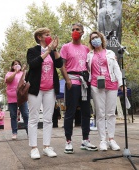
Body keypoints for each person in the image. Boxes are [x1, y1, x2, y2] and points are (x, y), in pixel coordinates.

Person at [60, 23, 98, 154]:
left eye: (77, 30)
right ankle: (68, 141)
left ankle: (85, 140)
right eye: (73, 30)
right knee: (70, 112)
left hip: (84, 83)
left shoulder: (86, 49)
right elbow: (62, 66)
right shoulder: (65, 47)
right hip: (72, 82)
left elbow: (90, 66)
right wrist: (68, 80)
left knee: (86, 112)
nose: (74, 31)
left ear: (82, 32)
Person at [26, 27, 63, 159]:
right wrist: (48, 51)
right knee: (34, 118)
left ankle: (47, 146)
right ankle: (34, 148)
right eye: (47, 35)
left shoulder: (52, 52)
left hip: (50, 89)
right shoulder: (32, 51)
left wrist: (55, 50)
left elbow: (59, 64)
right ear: (39, 37)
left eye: (50, 34)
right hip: (35, 90)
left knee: (48, 119)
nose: (49, 37)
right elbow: (34, 64)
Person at [87, 31, 122, 151]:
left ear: (101, 39)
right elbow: (87, 68)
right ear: (90, 42)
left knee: (111, 113)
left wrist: (121, 83)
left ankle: (111, 139)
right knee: (100, 113)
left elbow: (116, 68)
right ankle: (103, 140)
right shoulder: (89, 54)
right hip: (96, 85)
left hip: (111, 84)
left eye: (96, 37)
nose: (95, 40)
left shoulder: (110, 53)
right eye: (92, 39)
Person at [5, 60, 29, 139]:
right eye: (15, 64)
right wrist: (15, 72)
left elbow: (27, 82)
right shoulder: (9, 73)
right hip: (12, 98)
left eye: (18, 64)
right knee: (13, 116)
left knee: (25, 114)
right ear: (12, 66)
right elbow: (8, 80)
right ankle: (14, 132)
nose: (17, 65)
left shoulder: (23, 73)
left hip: (22, 97)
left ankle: (29, 131)